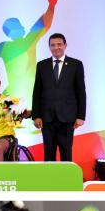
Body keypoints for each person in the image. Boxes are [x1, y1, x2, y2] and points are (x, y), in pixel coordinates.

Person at [0, 0, 60, 102]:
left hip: (19, 95)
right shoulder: (28, 40)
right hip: (24, 97)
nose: (22, 27)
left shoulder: (4, 47)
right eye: (18, 25)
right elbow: (45, 23)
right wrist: (51, 5)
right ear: (11, 31)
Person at [32, 33, 87, 161]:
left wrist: (81, 116)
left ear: (65, 45)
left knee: (66, 153)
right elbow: (37, 92)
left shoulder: (76, 64)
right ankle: (49, 180)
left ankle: (65, 180)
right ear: (49, 47)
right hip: (47, 118)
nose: (56, 47)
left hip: (68, 118)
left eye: (59, 44)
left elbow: (81, 91)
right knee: (48, 153)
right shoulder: (42, 65)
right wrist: (36, 115)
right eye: (52, 45)